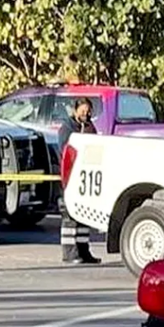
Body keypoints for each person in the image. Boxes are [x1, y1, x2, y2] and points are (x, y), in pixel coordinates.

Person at [56, 97, 100, 265]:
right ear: (75, 111)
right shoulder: (66, 129)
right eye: (83, 111)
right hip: (69, 177)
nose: (86, 115)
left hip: (84, 179)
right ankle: (69, 253)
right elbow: (66, 152)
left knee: (83, 217)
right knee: (69, 217)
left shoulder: (90, 128)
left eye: (88, 112)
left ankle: (83, 251)